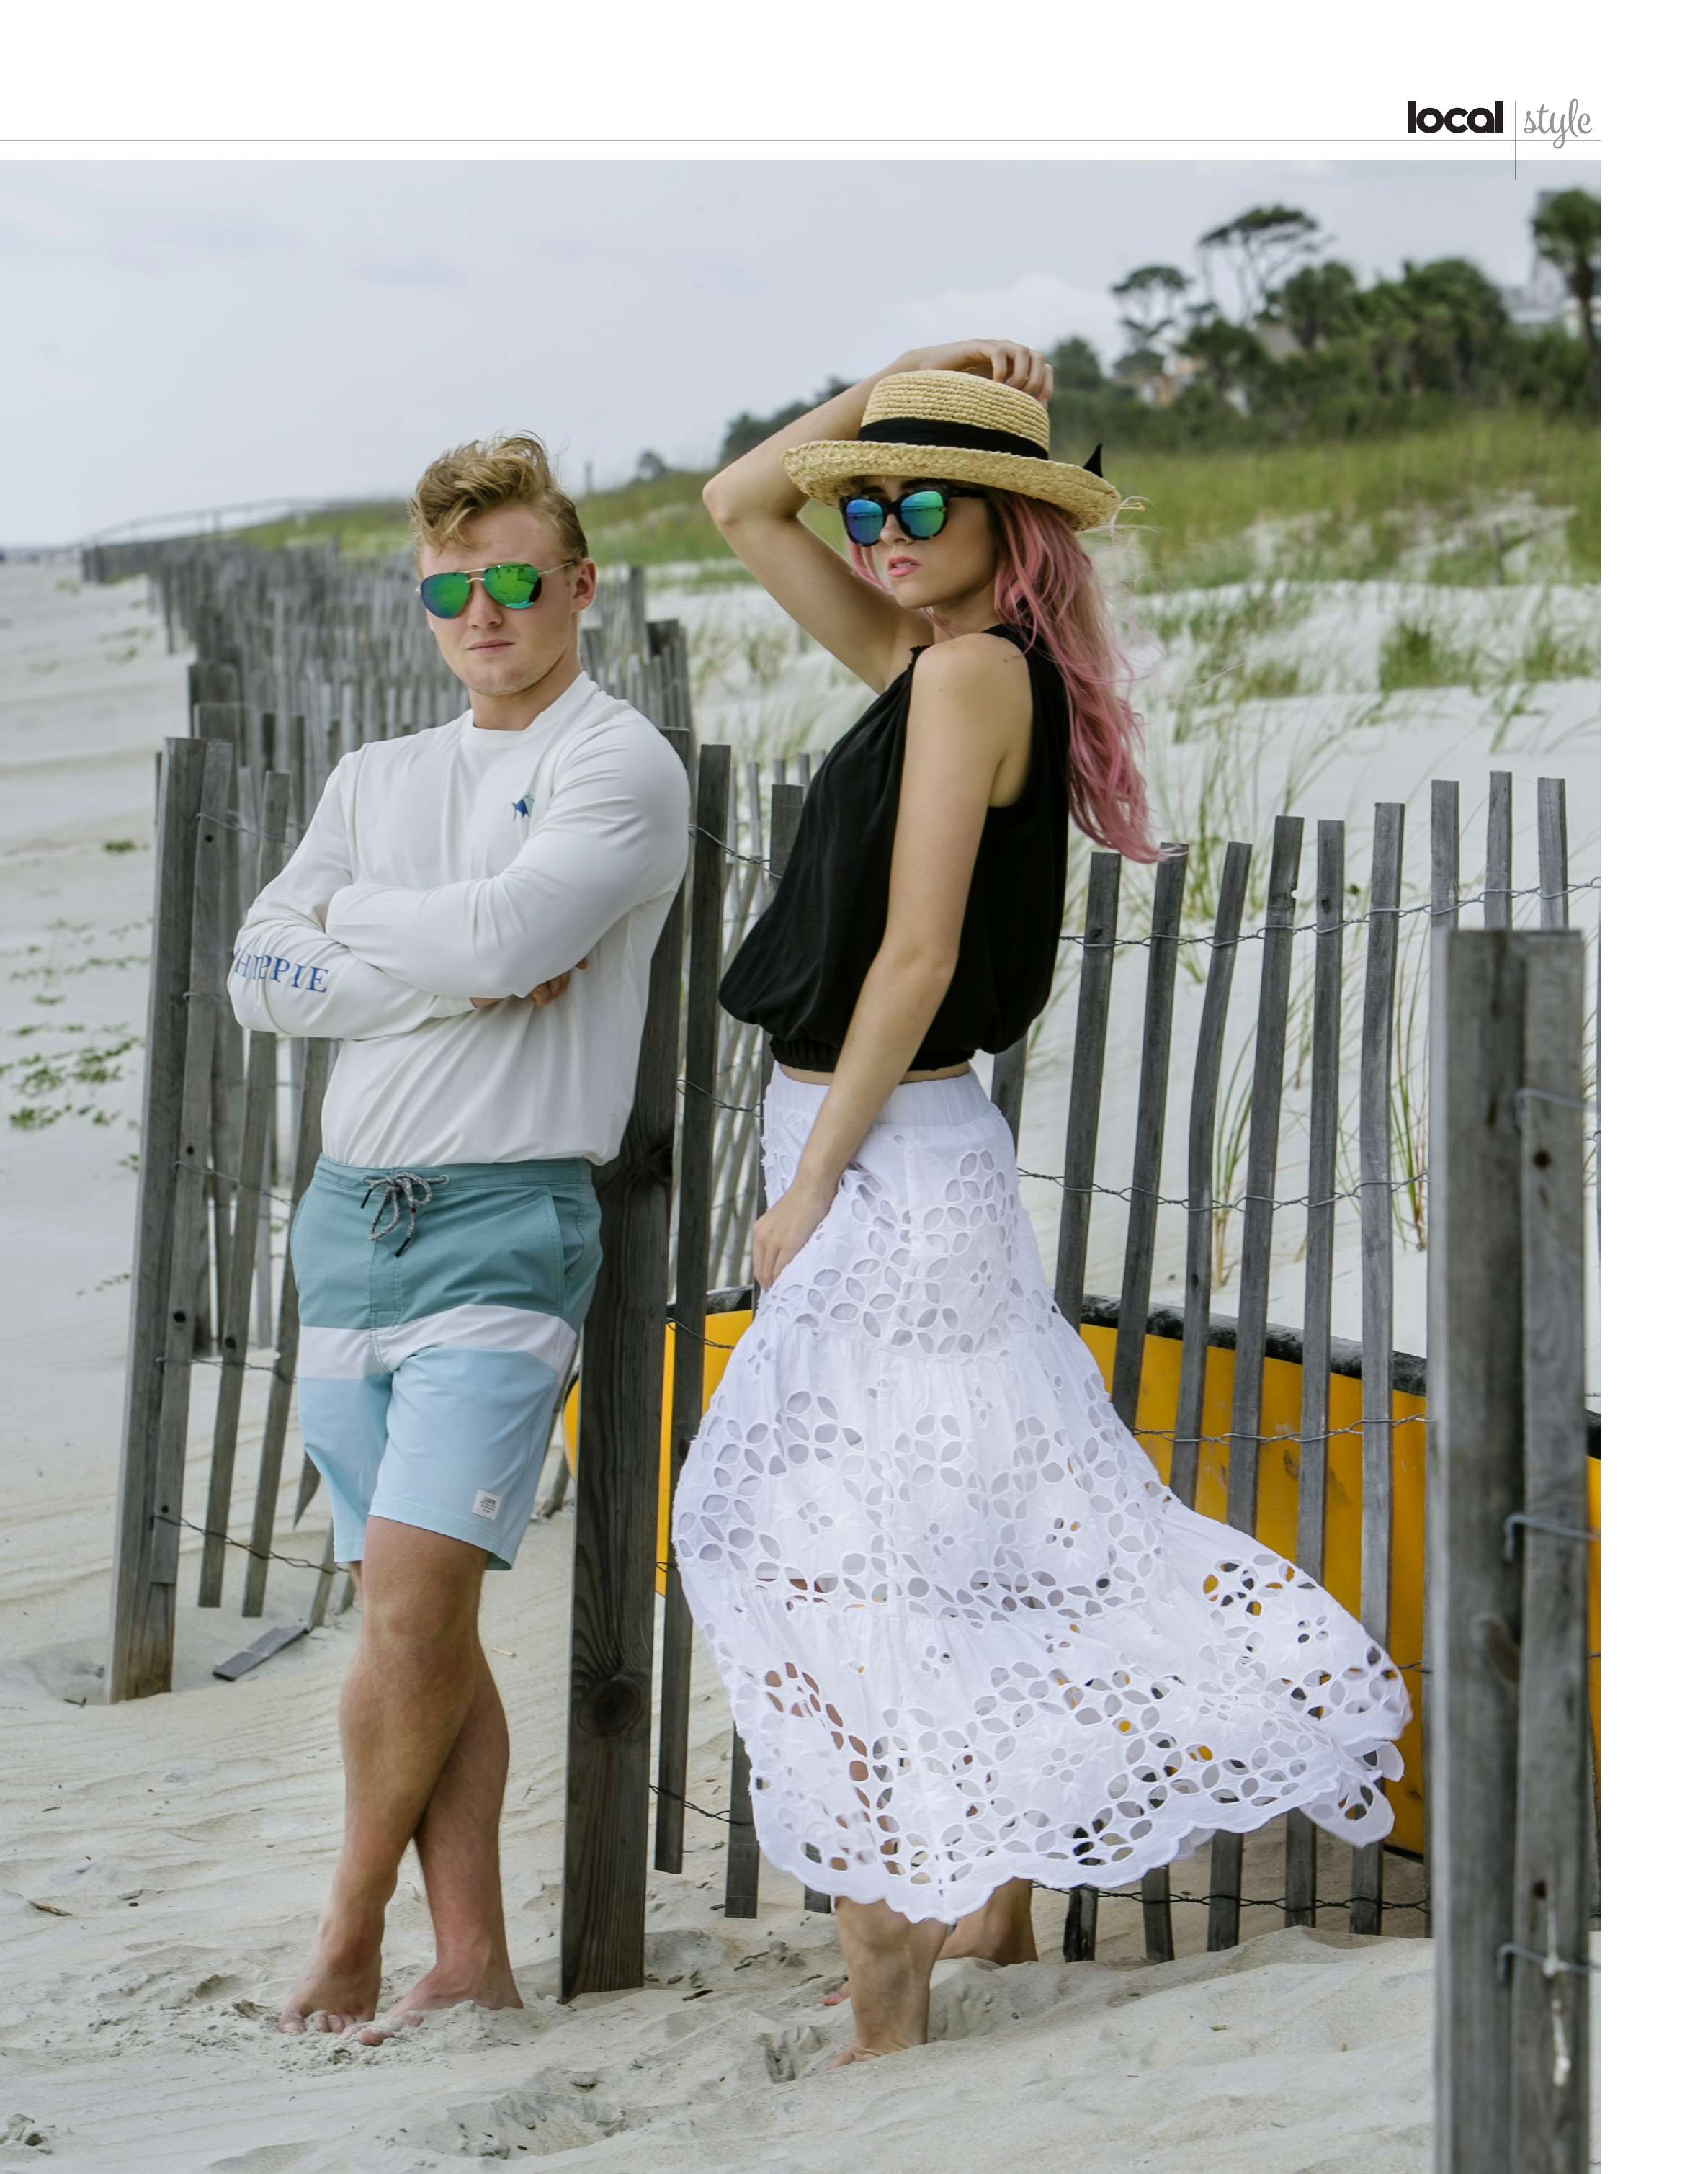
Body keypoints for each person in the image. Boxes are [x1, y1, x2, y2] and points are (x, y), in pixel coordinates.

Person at [670, 342, 1412, 2067]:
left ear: (1006, 520)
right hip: (909, 1152)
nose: (878, 526)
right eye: (867, 500)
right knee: (959, 1536)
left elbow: (919, 953)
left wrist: (812, 1181)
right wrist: (887, 388)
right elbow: (738, 500)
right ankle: (987, 1908)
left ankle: (888, 1969)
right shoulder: (938, 662)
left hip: (885, 1154)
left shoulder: (962, 676)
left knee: (813, 1547)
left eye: (920, 499)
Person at [228, 433, 689, 2042]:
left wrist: (359, 930)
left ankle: (348, 1933)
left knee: (413, 1610)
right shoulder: (376, 779)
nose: (481, 614)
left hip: (504, 1222)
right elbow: (256, 972)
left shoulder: (617, 761)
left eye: (511, 581)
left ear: (578, 585)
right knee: (416, 1623)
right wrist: (444, 969)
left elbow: (510, 934)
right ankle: (472, 1958)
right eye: (448, 592)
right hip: (346, 1226)